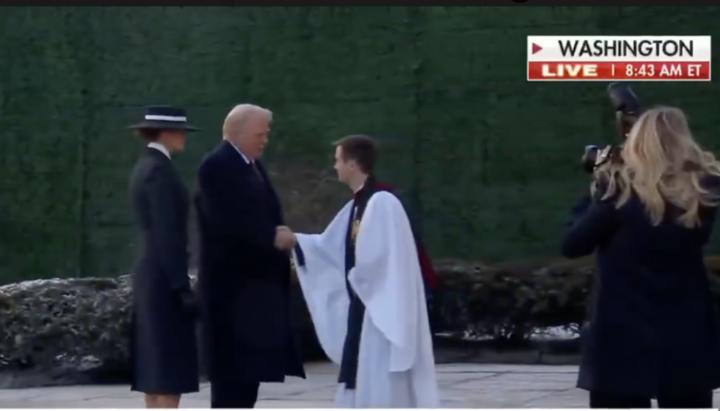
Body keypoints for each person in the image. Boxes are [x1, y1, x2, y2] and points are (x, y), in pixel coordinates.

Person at [561, 106, 720, 408]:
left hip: (621, 329)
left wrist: (596, 188)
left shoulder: (618, 193)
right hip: (687, 325)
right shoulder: (705, 188)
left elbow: (573, 245)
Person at [286, 134, 439, 408]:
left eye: (338, 160)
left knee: (380, 379)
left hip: (380, 314)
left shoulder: (381, 202)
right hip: (366, 308)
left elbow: (381, 260)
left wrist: (357, 278)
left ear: (353, 164)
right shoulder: (358, 205)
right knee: (364, 376)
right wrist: (296, 241)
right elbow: (329, 245)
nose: (335, 167)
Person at [194, 104, 305, 408]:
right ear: (238, 132)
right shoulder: (216, 166)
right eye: (260, 133)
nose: (265, 139)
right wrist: (272, 236)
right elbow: (225, 220)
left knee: (247, 381)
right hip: (231, 298)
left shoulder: (251, 165)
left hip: (253, 301)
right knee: (231, 385)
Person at [128, 106, 199, 408]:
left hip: (149, 275)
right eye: (180, 131)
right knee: (169, 370)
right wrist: (181, 286)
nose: (183, 137)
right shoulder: (160, 172)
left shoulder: (146, 166)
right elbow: (168, 233)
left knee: (154, 368)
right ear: (166, 133)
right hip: (163, 279)